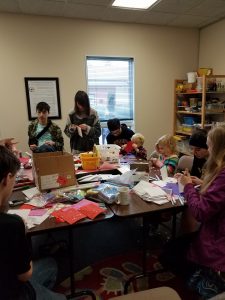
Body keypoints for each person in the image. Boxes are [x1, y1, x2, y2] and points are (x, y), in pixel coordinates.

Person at [160, 125, 225, 299]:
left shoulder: (222, 174)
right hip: (216, 232)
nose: (208, 149)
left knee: (169, 254)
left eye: (209, 145)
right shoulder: (220, 172)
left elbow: (200, 212)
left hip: (217, 241)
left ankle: (206, 284)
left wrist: (188, 185)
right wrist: (204, 183)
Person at [0, 145, 66, 300]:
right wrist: (20, 234)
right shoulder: (12, 224)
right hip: (10, 291)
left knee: (50, 264)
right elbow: (24, 275)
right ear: (7, 178)